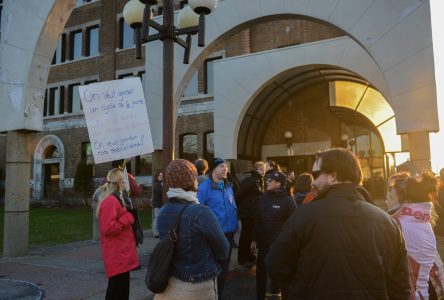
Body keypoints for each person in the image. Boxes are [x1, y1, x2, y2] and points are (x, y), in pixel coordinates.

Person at [265, 148, 411, 299]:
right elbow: (401, 288)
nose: (313, 182)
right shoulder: (387, 223)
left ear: (333, 176)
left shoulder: (302, 216)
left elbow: (275, 265)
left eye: (316, 174)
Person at [155, 159, 229, 300]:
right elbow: (224, 250)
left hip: (170, 283)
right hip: (198, 286)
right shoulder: (201, 212)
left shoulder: (163, 212)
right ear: (192, 181)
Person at [387, 171, 441, 299]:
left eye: (390, 197)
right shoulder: (422, 221)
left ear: (404, 203)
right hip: (426, 292)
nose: (386, 200)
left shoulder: (398, 225)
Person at [197, 157, 238, 300]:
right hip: (213, 236)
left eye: (226, 166)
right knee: (214, 270)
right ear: (213, 169)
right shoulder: (203, 188)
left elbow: (232, 206)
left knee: (223, 270)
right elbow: (198, 212)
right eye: (222, 166)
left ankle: (218, 295)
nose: (225, 169)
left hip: (228, 235)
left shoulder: (228, 187)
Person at [96, 168, 139, 300]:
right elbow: (108, 228)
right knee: (117, 290)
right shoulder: (111, 201)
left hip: (121, 252)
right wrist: (128, 217)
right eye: (125, 181)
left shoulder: (117, 198)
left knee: (121, 289)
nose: (126, 184)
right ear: (120, 183)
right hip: (117, 253)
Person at [251, 171, 296, 300]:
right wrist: (254, 239)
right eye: (267, 180)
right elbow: (258, 219)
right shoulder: (263, 198)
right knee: (261, 273)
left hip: (280, 245)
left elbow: (293, 225)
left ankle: (279, 293)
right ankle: (260, 296)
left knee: (281, 273)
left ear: (278, 184)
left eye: (270, 180)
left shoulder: (288, 200)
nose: (267, 182)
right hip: (264, 243)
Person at [235, 161, 266, 268]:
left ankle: (249, 256)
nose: (263, 171)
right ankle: (243, 258)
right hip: (247, 213)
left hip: (254, 213)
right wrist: (243, 207)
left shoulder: (259, 180)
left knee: (251, 236)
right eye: (261, 169)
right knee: (246, 235)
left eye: (264, 169)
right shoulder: (250, 180)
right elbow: (239, 195)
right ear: (255, 169)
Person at [152, 171, 163, 238]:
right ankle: (155, 233)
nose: (161, 176)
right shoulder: (156, 184)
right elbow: (161, 192)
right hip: (157, 204)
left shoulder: (161, 184)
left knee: (159, 218)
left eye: (162, 175)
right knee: (157, 218)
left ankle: (158, 232)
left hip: (160, 204)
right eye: (159, 175)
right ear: (157, 177)